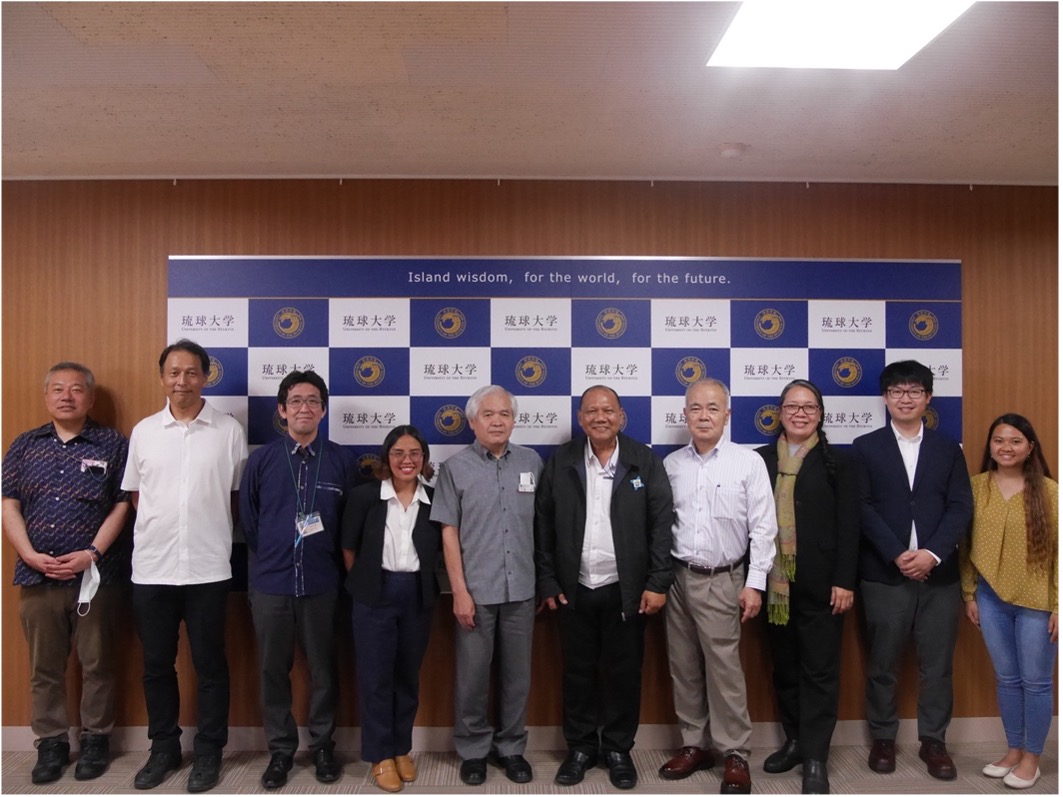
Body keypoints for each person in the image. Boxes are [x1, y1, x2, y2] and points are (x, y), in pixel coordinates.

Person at [121, 339, 248, 793]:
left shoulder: (228, 431)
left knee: (211, 664)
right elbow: (137, 497)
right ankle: (164, 748)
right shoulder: (143, 432)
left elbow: (236, 498)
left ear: (205, 377)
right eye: (174, 372)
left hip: (209, 568)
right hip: (152, 568)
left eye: (191, 372)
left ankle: (210, 750)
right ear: (162, 378)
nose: (182, 381)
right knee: (156, 665)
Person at [535, 385, 674, 791]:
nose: (600, 417)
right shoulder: (561, 461)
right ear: (580, 418)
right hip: (573, 589)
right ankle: (579, 748)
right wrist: (547, 578)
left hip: (626, 590)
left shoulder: (642, 460)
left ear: (621, 416)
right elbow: (542, 526)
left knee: (624, 673)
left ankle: (617, 749)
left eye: (608, 410)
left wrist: (657, 581)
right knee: (577, 673)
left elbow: (662, 524)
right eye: (591, 411)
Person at [1, 362, 131, 784]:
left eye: (76, 390)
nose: (67, 396)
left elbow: (123, 504)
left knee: (98, 663)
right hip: (37, 574)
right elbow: (9, 504)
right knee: (45, 666)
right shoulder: (24, 445)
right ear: (46, 397)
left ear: (90, 399)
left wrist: (92, 552)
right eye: (58, 389)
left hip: (96, 575)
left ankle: (96, 741)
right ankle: (52, 742)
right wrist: (29, 553)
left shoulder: (113, 444)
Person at [852, 360, 972, 781]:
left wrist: (933, 553)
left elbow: (961, 506)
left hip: (939, 576)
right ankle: (883, 738)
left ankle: (933, 741)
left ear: (928, 398)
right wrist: (898, 553)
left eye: (914, 391)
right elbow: (861, 507)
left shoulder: (948, 448)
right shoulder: (865, 447)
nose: (906, 398)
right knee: (882, 662)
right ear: (885, 398)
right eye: (898, 391)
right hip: (885, 574)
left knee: (937, 665)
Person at [657, 378, 776, 795]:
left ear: (727, 414)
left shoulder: (748, 463)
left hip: (724, 578)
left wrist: (755, 584)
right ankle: (694, 745)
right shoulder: (671, 465)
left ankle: (735, 752)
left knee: (725, 670)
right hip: (676, 578)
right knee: (683, 666)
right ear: (684, 415)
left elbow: (764, 529)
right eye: (695, 408)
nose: (703, 415)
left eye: (712, 408)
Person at [240, 370, 356, 789]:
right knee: (273, 670)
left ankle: (323, 745)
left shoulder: (341, 461)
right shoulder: (262, 461)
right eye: (295, 401)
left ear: (323, 410)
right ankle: (281, 750)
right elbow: (250, 523)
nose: (303, 408)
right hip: (271, 584)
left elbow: (349, 527)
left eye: (312, 401)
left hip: (324, 584)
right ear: (282, 410)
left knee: (325, 668)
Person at [430, 385, 543, 786]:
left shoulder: (532, 462)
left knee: (518, 677)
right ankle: (474, 749)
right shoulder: (455, 468)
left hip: (522, 592)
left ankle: (512, 747)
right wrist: (459, 591)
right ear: (473, 421)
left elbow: (543, 529)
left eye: (505, 414)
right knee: (473, 676)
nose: (497, 421)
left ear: (514, 420)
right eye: (488, 414)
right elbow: (448, 533)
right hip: (475, 592)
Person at [755, 379, 858, 794]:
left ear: (820, 413)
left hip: (822, 585)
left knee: (820, 672)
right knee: (784, 668)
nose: (800, 413)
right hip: (774, 586)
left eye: (809, 407)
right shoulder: (761, 460)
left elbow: (851, 527)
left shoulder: (839, 462)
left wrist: (844, 581)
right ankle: (795, 742)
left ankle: (816, 756)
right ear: (780, 412)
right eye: (792, 406)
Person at [342, 425, 442, 793]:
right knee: (375, 678)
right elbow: (348, 548)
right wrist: (368, 583)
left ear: (424, 459)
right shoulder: (365, 496)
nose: (407, 460)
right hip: (374, 594)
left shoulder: (434, 498)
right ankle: (380, 755)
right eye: (399, 453)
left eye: (415, 453)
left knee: (407, 677)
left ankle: (402, 748)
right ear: (387, 459)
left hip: (416, 595)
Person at [961, 413, 1057, 790]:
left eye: (1015, 441)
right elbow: (964, 547)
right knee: (1007, 678)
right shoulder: (976, 487)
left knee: (1036, 682)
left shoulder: (1049, 492)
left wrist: (1059, 607)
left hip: (1038, 601)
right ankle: (1014, 750)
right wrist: (969, 593)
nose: (1006, 447)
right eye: (999, 440)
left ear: (1030, 447)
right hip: (990, 598)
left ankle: (1033, 756)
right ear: (990, 446)